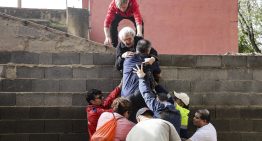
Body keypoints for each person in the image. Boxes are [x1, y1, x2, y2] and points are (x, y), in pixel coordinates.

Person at [133, 64, 181, 133]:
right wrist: (157, 86)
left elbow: (146, 93)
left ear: (157, 100)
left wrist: (141, 78)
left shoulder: (158, 107)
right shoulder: (177, 112)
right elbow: (168, 96)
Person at [121, 39, 160, 122]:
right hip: (142, 95)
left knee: (128, 122)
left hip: (126, 95)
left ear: (136, 48)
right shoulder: (150, 62)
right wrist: (153, 58)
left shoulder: (127, 59)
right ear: (149, 50)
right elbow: (158, 72)